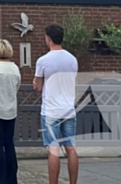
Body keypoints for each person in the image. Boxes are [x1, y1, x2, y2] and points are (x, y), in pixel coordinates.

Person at [33, 24, 79, 184]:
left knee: (53, 148)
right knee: (70, 147)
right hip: (68, 109)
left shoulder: (43, 61)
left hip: (51, 110)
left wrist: (36, 83)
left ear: (49, 39)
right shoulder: (72, 59)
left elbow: (38, 87)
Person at [0, 40, 21, 184]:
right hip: (11, 111)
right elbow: (17, 87)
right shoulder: (15, 69)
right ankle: (12, 177)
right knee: (9, 144)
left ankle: (0, 178)